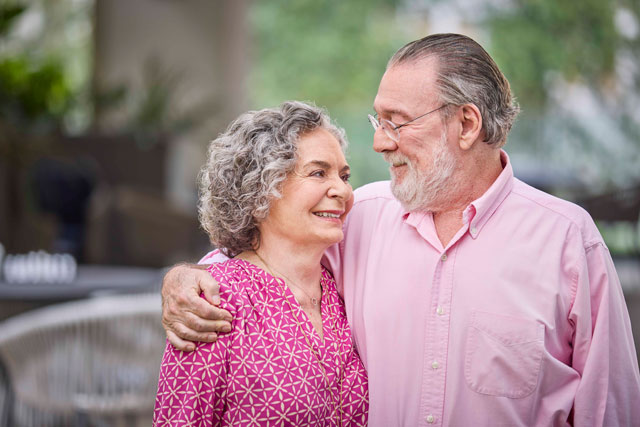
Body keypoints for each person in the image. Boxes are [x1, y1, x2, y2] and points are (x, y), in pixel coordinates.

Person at [161, 34, 640, 426]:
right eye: (377, 119)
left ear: (467, 123)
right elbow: (264, 253)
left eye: (397, 122)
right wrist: (186, 280)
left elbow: (610, 410)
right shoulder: (360, 216)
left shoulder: (566, 240)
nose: (378, 141)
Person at [154, 101, 368, 426]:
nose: (342, 190)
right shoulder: (210, 304)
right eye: (318, 173)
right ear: (259, 191)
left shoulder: (346, 290)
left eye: (344, 175)